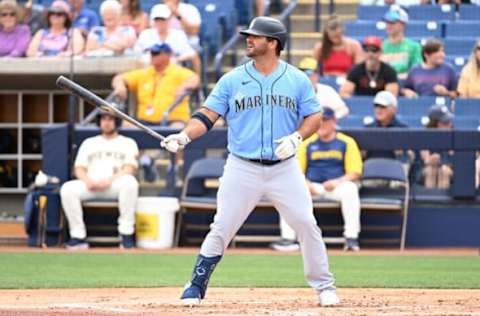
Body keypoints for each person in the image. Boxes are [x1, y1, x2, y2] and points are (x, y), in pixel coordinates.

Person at [160, 16, 340, 307]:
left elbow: (315, 117)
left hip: (284, 168)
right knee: (222, 226)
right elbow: (207, 116)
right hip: (242, 166)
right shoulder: (232, 79)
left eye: (255, 36)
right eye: (249, 35)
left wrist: (296, 138)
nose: (248, 39)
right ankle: (195, 284)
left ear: (273, 43)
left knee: (306, 224)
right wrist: (183, 137)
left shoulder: (296, 79)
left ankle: (324, 286)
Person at [271, 107, 363, 252]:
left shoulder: (346, 142)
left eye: (325, 121)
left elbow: (355, 171)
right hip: (312, 186)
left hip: (337, 186)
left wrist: (338, 182)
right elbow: (296, 170)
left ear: (333, 122)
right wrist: (306, 184)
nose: (322, 125)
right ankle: (288, 239)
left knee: (351, 189)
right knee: (289, 191)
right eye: (319, 121)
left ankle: (351, 238)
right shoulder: (307, 143)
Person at [60, 110, 139, 250]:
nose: (106, 122)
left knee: (130, 182)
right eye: (103, 119)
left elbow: (129, 168)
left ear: (117, 122)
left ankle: (126, 235)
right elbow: (78, 168)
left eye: (110, 119)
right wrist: (87, 180)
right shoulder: (89, 142)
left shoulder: (127, 142)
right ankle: (78, 236)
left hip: (114, 186)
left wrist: (110, 180)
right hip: (91, 186)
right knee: (67, 188)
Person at [112, 43, 200, 126]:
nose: (152, 56)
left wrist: (184, 87)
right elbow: (118, 78)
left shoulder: (178, 71)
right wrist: (120, 86)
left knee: (177, 127)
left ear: (167, 55)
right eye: (151, 53)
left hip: (173, 120)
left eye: (156, 53)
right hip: (144, 122)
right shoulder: (145, 73)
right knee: (124, 125)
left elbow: (195, 79)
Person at [135, 4, 201, 74]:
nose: (160, 22)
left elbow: (191, 54)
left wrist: (177, 59)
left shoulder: (178, 34)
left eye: (162, 19)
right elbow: (136, 53)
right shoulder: (145, 34)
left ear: (169, 19)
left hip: (172, 71)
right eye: (157, 19)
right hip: (149, 71)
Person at [381, 6, 422, 79]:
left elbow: (417, 72)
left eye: (393, 22)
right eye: (387, 22)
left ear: (403, 24)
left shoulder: (414, 46)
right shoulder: (380, 46)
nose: (388, 25)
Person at [364, 90, 408, 159]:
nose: (378, 110)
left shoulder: (404, 130)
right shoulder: (367, 129)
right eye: (376, 106)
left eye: (383, 106)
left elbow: (408, 158)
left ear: (394, 109)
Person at [419, 105, 454, 189]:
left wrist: (448, 163)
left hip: (449, 171)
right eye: (445, 122)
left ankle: (445, 202)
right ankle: (428, 200)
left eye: (449, 121)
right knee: (431, 170)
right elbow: (423, 161)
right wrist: (428, 161)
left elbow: (458, 162)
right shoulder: (423, 137)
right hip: (425, 172)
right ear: (434, 124)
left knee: (444, 170)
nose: (450, 125)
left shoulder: (454, 137)